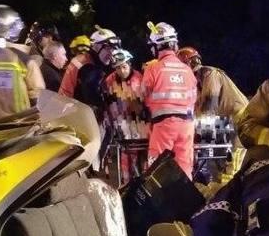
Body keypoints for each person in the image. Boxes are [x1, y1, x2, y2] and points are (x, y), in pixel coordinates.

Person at [140, 21, 198, 177]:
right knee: (184, 166)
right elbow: (193, 98)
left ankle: (156, 199)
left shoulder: (153, 68)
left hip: (163, 125)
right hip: (187, 125)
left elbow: (142, 94)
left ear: (156, 46)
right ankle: (186, 199)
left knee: (156, 169)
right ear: (174, 44)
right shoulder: (187, 69)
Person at [100, 48, 147, 183]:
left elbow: (142, 105)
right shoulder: (109, 80)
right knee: (124, 162)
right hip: (120, 126)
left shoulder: (138, 79)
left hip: (139, 125)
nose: (121, 71)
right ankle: (126, 185)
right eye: (118, 68)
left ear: (129, 64)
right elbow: (107, 103)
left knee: (142, 162)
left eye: (124, 67)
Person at [177, 46, 248, 121]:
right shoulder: (196, 83)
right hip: (229, 119)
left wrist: (199, 122)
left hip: (241, 116)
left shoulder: (209, 73)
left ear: (188, 63)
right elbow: (194, 109)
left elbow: (210, 102)